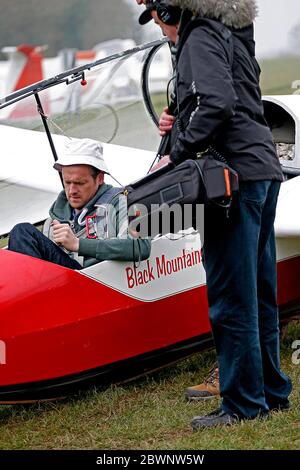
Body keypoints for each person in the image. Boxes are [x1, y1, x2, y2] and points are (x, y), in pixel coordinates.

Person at [141, 0, 292, 428]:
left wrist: (180, 148)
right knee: (260, 291)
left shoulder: (199, 37)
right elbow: (236, 99)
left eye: (158, 18)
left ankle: (244, 404)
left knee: (231, 297)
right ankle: (272, 392)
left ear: (172, 13)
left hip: (233, 181)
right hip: (262, 169)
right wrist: (183, 116)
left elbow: (218, 103)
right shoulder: (233, 36)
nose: (160, 29)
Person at [8, 138, 151, 269]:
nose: (72, 190)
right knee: (21, 235)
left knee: (22, 231)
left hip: (97, 284)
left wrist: (78, 244)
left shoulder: (122, 201)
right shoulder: (54, 219)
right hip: (65, 283)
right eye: (67, 182)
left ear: (100, 178)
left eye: (79, 183)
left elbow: (141, 246)